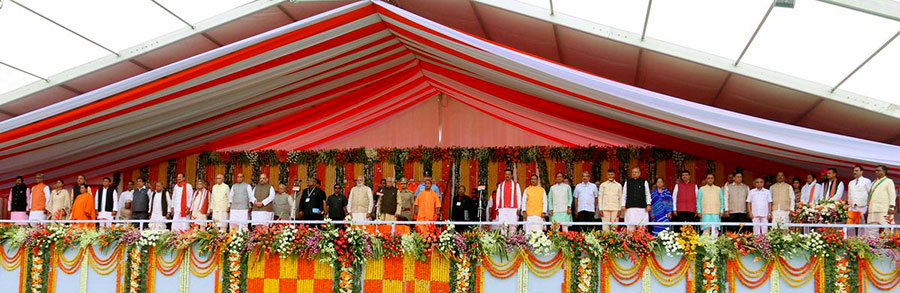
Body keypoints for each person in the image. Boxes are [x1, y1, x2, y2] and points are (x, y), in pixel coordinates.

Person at [867, 165, 895, 236]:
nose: (876, 172)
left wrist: (892, 207)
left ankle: (888, 245)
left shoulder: (889, 181)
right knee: (872, 229)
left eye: (878, 170)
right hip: (872, 209)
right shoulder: (873, 182)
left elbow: (892, 195)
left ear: (884, 171)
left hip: (883, 209)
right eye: (876, 170)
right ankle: (873, 245)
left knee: (887, 228)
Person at [621, 167, 652, 231]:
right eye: (633, 172)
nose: (634, 173)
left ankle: (642, 239)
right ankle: (630, 240)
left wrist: (648, 204)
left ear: (639, 173)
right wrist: (623, 204)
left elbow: (647, 194)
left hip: (642, 208)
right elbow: (624, 194)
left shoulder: (644, 182)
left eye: (636, 172)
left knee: (642, 226)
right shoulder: (627, 182)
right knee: (630, 226)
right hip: (630, 207)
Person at [494, 169, 523, 234]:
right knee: (502, 225)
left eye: (509, 174)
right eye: (506, 174)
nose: (507, 176)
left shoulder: (516, 185)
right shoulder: (501, 185)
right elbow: (498, 197)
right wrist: (497, 208)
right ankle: (503, 239)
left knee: (513, 226)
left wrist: (519, 208)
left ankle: (512, 241)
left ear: (511, 175)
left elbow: (519, 196)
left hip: (513, 208)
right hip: (502, 208)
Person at [847, 165, 872, 236]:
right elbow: (849, 196)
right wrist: (849, 207)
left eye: (856, 171)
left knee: (863, 225)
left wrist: (868, 207)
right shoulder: (851, 182)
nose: (854, 172)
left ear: (861, 172)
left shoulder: (866, 181)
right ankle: (854, 239)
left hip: (863, 206)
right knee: (852, 225)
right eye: (854, 171)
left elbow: (870, 194)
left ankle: (864, 240)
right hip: (853, 207)